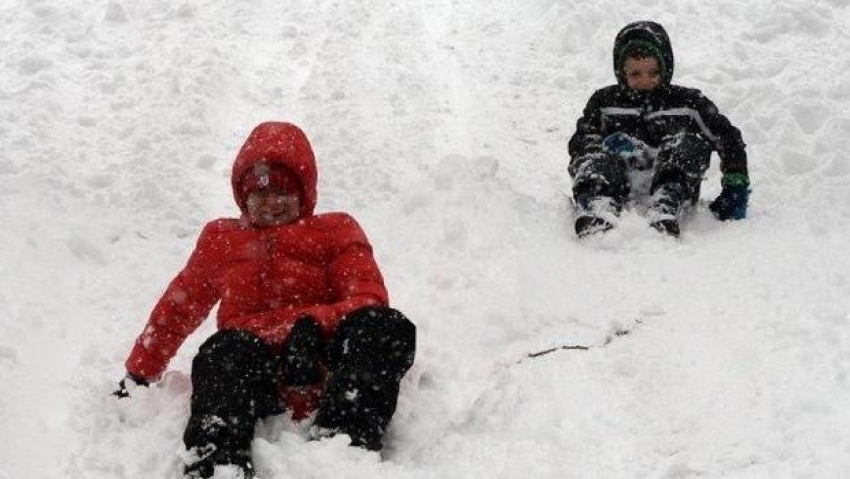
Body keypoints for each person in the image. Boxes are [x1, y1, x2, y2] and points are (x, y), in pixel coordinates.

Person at [114, 122, 417, 478]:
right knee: (220, 352)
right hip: (253, 369)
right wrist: (140, 371)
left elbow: (368, 297)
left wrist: (313, 327)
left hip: (329, 366)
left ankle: (343, 450)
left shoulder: (335, 230)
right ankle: (217, 463)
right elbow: (181, 305)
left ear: (303, 194)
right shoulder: (223, 240)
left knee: (386, 327)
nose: (271, 204)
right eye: (260, 193)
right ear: (243, 197)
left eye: (283, 193)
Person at [567, 21, 750, 237]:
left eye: (653, 72)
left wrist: (735, 186)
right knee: (593, 155)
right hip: (619, 184)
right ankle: (598, 205)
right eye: (635, 74)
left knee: (687, 144)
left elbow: (727, 137)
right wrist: (603, 146)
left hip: (676, 184)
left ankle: (666, 205)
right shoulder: (605, 103)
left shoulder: (687, 104)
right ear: (621, 71)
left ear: (666, 67)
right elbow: (581, 140)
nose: (645, 81)